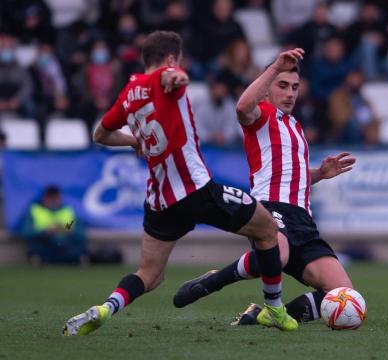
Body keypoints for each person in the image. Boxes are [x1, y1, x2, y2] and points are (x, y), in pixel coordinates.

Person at [62, 31, 297, 336]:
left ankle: (107, 307)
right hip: (196, 189)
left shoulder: (128, 93)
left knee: (149, 274)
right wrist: (176, 79)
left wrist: (133, 139)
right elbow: (173, 78)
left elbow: (100, 135)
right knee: (267, 231)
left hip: (160, 200)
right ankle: (276, 309)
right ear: (172, 58)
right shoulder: (168, 76)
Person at [173, 48, 357, 326]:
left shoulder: (294, 125)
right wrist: (273, 68)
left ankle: (261, 317)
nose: (290, 93)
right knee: (277, 256)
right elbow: (242, 108)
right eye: (282, 86)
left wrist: (319, 173)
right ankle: (213, 281)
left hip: (303, 221)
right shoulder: (262, 116)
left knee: (344, 293)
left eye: (294, 87)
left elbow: (288, 173)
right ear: (267, 90)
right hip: (271, 209)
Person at [19, 185, 88, 266]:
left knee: (78, 250)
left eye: (55, 197)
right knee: (36, 250)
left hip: (66, 245)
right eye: (50, 197)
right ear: (44, 198)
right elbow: (26, 232)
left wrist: (67, 231)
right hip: (45, 244)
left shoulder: (68, 212)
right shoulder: (35, 210)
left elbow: (81, 234)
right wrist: (45, 232)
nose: (53, 200)